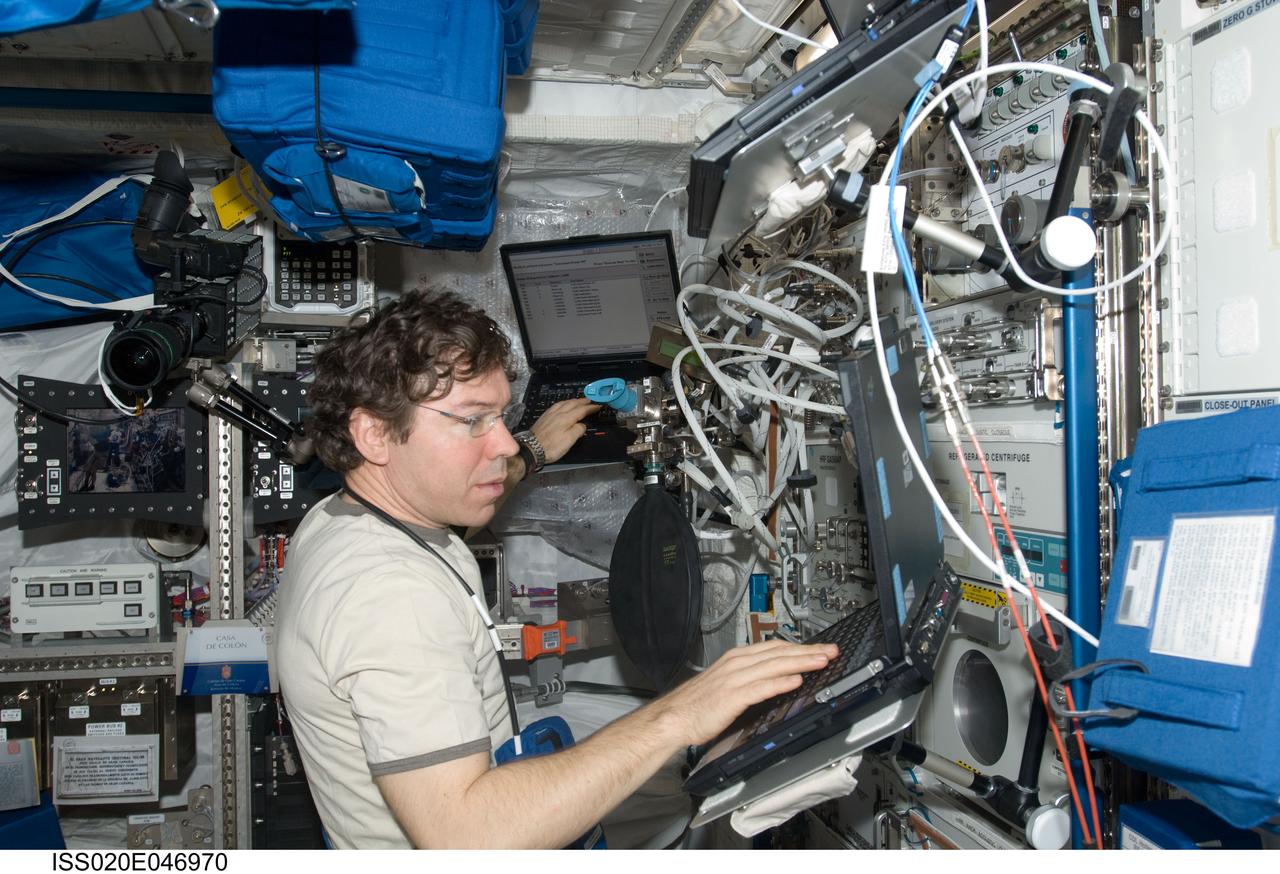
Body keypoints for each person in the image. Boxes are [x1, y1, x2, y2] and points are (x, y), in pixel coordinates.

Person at [275, 288, 837, 849]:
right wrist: (683, 714)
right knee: (677, 805)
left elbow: (447, 536)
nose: (501, 442)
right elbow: (464, 837)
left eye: (500, 416)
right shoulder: (390, 598)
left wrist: (533, 453)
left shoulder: (348, 517)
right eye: (472, 421)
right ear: (373, 434)